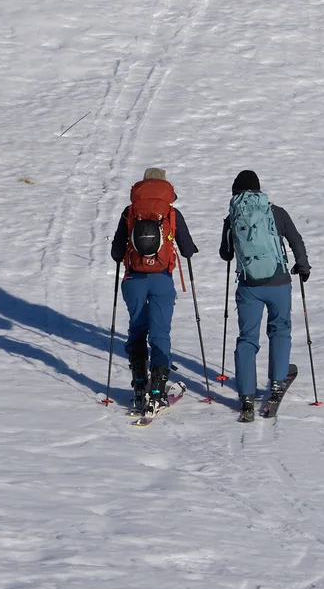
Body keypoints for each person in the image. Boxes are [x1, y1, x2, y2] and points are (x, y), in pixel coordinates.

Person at [219, 170, 310, 423]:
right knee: (280, 331)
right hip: (279, 283)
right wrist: (303, 266)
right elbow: (296, 240)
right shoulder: (276, 212)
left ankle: (246, 396)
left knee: (247, 339)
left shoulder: (233, 216)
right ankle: (277, 383)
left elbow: (225, 254)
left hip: (249, 286)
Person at [109, 167, 199, 413]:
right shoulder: (171, 212)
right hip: (161, 280)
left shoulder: (129, 212)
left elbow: (116, 252)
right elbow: (188, 249)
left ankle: (139, 386)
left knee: (137, 330)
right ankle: (157, 391)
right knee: (160, 334)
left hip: (133, 280)